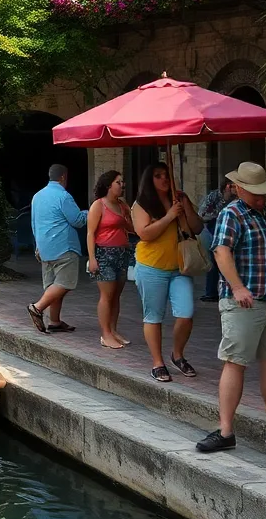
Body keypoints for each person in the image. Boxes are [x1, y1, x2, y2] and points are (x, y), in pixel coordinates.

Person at [197, 162, 266, 452]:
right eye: (255, 193)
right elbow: (221, 251)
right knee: (235, 361)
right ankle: (226, 431)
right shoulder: (232, 214)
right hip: (242, 303)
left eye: (263, 192)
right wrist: (238, 287)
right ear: (239, 188)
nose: (261, 198)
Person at [131, 162, 201, 383]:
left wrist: (185, 206)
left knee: (186, 313)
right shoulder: (141, 204)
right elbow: (145, 234)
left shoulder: (179, 198)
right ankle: (157, 362)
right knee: (154, 316)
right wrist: (170, 215)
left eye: (166, 175)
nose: (164, 180)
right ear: (149, 180)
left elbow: (197, 228)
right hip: (152, 267)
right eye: (158, 176)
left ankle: (177, 354)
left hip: (180, 267)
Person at [28, 164, 88, 334]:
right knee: (65, 283)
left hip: (44, 247)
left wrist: (38, 245)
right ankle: (37, 307)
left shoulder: (37, 196)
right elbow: (77, 220)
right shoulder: (63, 196)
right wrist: (90, 213)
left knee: (52, 286)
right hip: (63, 246)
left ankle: (54, 321)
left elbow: (34, 223)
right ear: (63, 177)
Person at [86, 170, 132, 349]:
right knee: (106, 295)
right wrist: (92, 258)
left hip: (122, 252)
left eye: (122, 182)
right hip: (104, 253)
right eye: (118, 182)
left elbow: (131, 227)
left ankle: (113, 330)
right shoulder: (99, 205)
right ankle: (105, 334)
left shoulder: (122, 205)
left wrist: (129, 216)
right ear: (108, 185)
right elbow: (90, 233)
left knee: (116, 295)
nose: (122, 185)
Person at [198, 179, 237, 302]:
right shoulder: (214, 197)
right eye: (234, 187)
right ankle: (211, 292)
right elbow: (202, 214)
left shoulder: (236, 199)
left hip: (230, 228)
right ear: (228, 187)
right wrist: (219, 215)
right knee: (215, 258)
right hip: (213, 226)